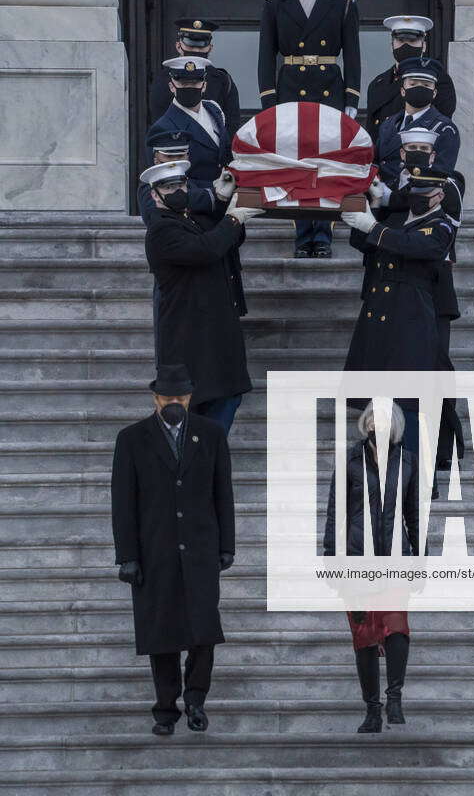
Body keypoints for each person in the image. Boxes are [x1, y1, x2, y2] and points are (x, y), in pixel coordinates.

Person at [111, 363, 235, 735]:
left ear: (190, 397)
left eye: (180, 396)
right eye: (167, 397)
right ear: (155, 397)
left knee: (203, 630)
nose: (174, 402)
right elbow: (123, 502)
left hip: (200, 547)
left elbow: (222, 493)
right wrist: (127, 555)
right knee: (161, 633)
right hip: (155, 550)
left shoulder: (211, 435)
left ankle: (196, 700)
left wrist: (226, 543)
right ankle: (165, 710)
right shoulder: (132, 439)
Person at [258, 0, 361, 258]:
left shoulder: (342, 2)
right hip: (290, 89)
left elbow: (354, 54)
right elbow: (265, 56)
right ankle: (303, 235)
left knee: (327, 164)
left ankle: (324, 235)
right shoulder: (275, 4)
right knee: (298, 164)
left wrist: (352, 101)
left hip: (329, 89)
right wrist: (269, 101)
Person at [140, 159, 260, 434]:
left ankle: (208, 461)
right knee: (192, 419)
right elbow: (206, 248)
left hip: (215, 338)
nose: (178, 191)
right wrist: (234, 216)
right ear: (154, 195)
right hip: (189, 342)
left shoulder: (189, 217)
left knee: (227, 399)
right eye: (169, 188)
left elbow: (227, 237)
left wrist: (221, 200)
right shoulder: (161, 229)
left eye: (181, 184)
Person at [342, 169, 455, 454]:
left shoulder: (440, 225)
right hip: (379, 317)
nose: (418, 200)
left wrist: (374, 227)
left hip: (410, 319)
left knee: (409, 401)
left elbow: (413, 246)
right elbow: (361, 243)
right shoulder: (396, 219)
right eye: (414, 194)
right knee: (377, 399)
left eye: (425, 196)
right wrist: (376, 209)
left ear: (439, 195)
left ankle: (415, 475)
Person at [323, 401, 416, 732]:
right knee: (364, 633)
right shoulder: (349, 460)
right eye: (376, 416)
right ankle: (372, 710)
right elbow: (337, 513)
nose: (381, 422)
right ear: (368, 422)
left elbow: (415, 514)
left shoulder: (407, 461)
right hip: (357, 558)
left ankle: (394, 699)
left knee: (396, 625)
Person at [365, 15, 456, 142]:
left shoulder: (439, 80)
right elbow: (371, 130)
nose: (405, 46)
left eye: (412, 41)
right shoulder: (377, 84)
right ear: (391, 46)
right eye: (401, 41)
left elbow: (440, 125)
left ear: (423, 46)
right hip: (383, 156)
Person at [146, 56, 232, 187]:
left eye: (195, 83)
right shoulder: (163, 128)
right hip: (198, 203)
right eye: (183, 83)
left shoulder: (214, 109)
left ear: (204, 85)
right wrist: (214, 191)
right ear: (172, 86)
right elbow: (168, 182)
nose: (189, 87)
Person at [375, 57, 460, 189]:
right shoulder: (388, 124)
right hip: (379, 199)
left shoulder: (445, 128)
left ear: (434, 93)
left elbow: (438, 176)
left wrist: (393, 198)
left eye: (426, 85)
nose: (419, 89)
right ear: (403, 91)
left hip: (412, 203)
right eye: (413, 84)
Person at [149, 19, 240, 133]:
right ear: (178, 46)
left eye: (201, 46)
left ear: (210, 48)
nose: (196, 50)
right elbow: (158, 122)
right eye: (191, 46)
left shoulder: (223, 80)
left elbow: (232, 124)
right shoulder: (164, 79)